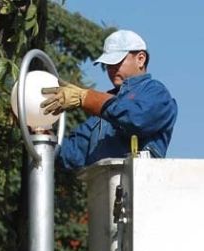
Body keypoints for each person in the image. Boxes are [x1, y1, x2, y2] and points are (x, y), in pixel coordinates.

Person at [40, 30, 178, 168]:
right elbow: (74, 155)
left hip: (140, 180)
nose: (111, 68)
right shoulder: (103, 107)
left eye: (117, 61)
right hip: (103, 180)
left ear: (140, 59)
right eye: (108, 64)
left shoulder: (155, 92)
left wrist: (87, 98)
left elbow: (137, 119)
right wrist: (44, 136)